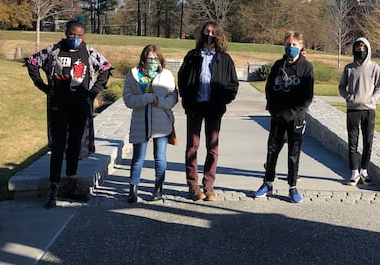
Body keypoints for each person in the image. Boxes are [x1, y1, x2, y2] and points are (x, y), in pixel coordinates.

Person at [26, 18, 112, 209]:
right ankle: (54, 186)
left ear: (84, 36)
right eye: (72, 34)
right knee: (57, 147)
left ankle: (71, 182)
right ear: (66, 33)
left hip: (80, 105)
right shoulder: (54, 50)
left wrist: (94, 92)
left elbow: (106, 68)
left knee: (74, 144)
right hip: (58, 105)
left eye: (79, 35)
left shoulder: (88, 52)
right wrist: (43, 86)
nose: (75, 38)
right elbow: (32, 62)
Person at [178, 20, 239, 201]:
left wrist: (224, 99)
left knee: (212, 148)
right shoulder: (192, 56)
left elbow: (233, 84)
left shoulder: (225, 59)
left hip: (214, 108)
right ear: (202, 32)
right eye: (207, 31)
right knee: (192, 147)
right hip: (195, 107)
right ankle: (193, 185)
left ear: (218, 35)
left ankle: (209, 184)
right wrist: (187, 99)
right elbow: (182, 79)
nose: (209, 34)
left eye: (213, 32)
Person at [253, 31, 314, 203]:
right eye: (288, 44)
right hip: (278, 116)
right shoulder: (279, 65)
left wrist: (292, 111)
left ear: (301, 46)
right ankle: (268, 182)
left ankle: (292, 186)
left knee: (293, 153)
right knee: (272, 150)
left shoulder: (306, 68)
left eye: (294, 45)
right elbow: (269, 88)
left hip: (295, 118)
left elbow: (307, 96)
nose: (291, 48)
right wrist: (273, 107)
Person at [122, 44, 178, 203]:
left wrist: (160, 102)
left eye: (155, 58)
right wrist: (146, 98)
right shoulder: (133, 76)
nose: (152, 61)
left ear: (160, 59)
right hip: (140, 122)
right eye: (149, 58)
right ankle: (133, 189)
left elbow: (173, 98)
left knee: (160, 156)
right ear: (143, 59)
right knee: (138, 157)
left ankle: (158, 188)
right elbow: (128, 100)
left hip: (161, 122)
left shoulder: (167, 76)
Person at [338, 37, 380, 186]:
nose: (361, 50)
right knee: (352, 142)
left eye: (363, 47)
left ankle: (364, 171)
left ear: (368, 49)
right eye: (358, 47)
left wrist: (373, 99)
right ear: (354, 49)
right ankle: (354, 172)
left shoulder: (374, 68)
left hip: (369, 110)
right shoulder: (349, 68)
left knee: (368, 141)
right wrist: (348, 97)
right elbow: (341, 87)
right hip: (353, 109)